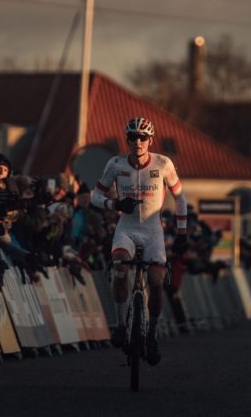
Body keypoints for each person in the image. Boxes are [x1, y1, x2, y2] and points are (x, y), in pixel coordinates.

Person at [91, 116, 188, 366]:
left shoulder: (163, 163)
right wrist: (114, 204)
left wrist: (182, 233)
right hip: (127, 227)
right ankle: (121, 324)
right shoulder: (116, 164)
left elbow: (180, 198)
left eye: (142, 137)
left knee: (156, 283)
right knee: (120, 267)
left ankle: (153, 334)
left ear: (150, 140)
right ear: (127, 140)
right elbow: (94, 196)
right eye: (133, 137)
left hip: (153, 231)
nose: (137, 142)